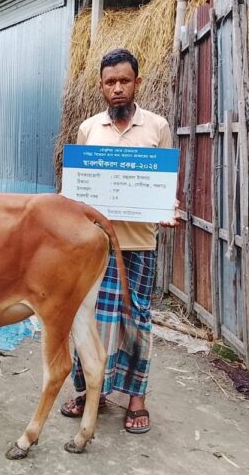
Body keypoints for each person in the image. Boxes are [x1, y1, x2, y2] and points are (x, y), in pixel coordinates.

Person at [60, 47, 178, 434]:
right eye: (110, 82)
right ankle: (89, 391)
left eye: (124, 81)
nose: (117, 89)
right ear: (101, 86)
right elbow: (73, 195)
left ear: (137, 83)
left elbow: (165, 188)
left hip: (139, 244)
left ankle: (137, 398)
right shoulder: (88, 129)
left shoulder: (157, 128)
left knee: (136, 319)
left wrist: (168, 207)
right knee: (89, 320)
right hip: (93, 247)